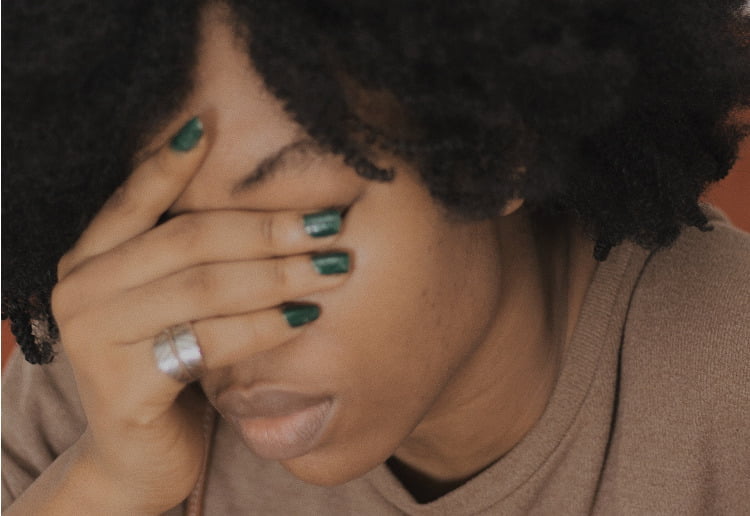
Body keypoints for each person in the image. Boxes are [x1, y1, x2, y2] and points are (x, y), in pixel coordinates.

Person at [2, 1, 749, 514]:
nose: (226, 322)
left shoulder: (727, 389)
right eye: (169, 236)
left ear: (499, 145)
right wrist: (103, 486)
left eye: (293, 220)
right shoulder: (120, 368)